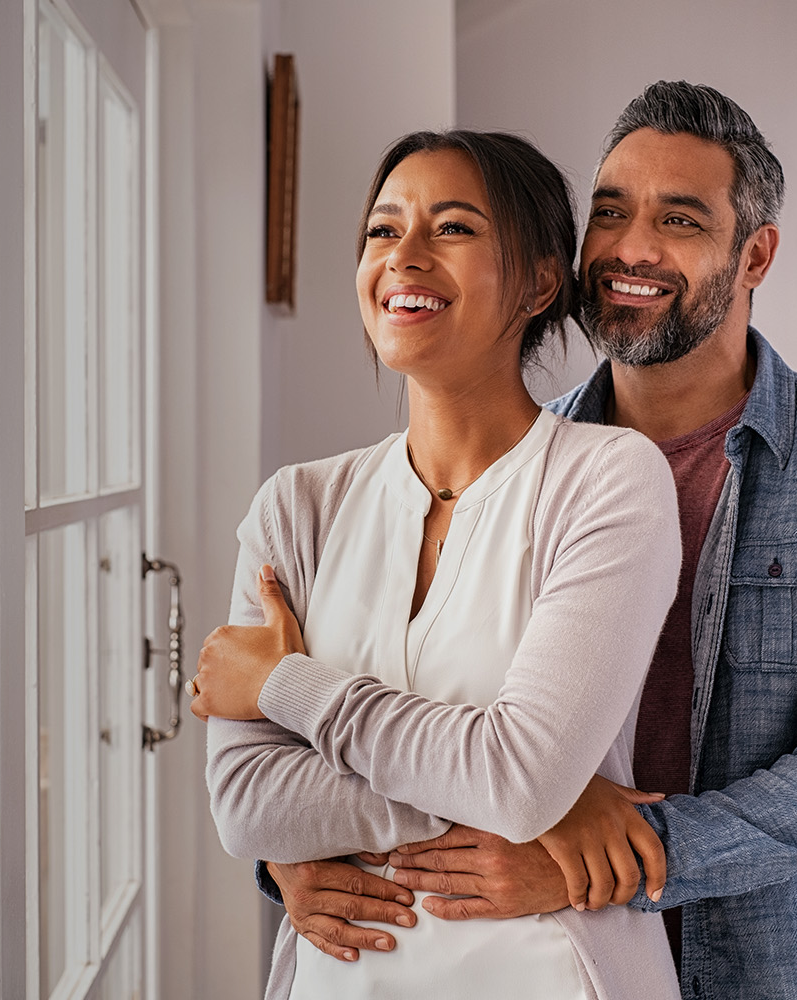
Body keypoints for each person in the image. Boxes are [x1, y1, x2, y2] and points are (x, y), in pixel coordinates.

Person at [263, 82, 797, 1000]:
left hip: (767, 968)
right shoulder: (512, 462)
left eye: (679, 219)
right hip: (532, 963)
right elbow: (416, 709)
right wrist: (293, 856)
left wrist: (613, 856)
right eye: (610, 213)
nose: (631, 248)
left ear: (756, 256)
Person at [190, 130, 684, 999]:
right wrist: (532, 795)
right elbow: (246, 804)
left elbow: (520, 774)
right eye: (383, 232)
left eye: (451, 229)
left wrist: (286, 687)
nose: (403, 257)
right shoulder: (295, 507)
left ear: (537, 283)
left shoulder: (609, 480)